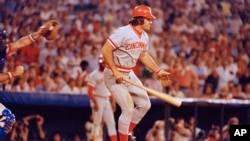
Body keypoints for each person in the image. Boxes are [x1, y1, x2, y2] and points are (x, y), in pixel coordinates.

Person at [101, 5, 171, 141]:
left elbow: (144, 56)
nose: (151, 22)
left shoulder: (144, 36)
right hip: (112, 74)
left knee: (145, 104)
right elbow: (105, 50)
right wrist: (115, 71)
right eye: (149, 19)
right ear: (140, 20)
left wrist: (158, 70)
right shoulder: (123, 32)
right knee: (128, 108)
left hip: (128, 73)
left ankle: (127, 132)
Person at [87, 55, 117, 141]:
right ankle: (94, 139)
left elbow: (112, 89)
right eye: (101, 62)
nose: (102, 64)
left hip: (107, 99)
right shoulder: (94, 75)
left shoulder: (109, 74)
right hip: (97, 98)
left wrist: (113, 102)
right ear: (98, 63)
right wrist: (95, 103)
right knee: (97, 123)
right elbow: (90, 91)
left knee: (111, 122)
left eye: (104, 62)